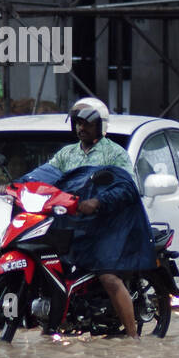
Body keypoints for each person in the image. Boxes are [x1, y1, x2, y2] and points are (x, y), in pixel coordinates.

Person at [44, 97, 141, 338]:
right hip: (72, 224)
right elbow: (46, 174)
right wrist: (19, 185)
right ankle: (50, 325)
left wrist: (98, 201)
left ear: (100, 126)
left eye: (86, 124)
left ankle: (133, 337)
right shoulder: (66, 154)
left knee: (108, 276)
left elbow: (127, 187)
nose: (80, 128)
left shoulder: (114, 154)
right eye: (77, 123)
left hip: (107, 226)